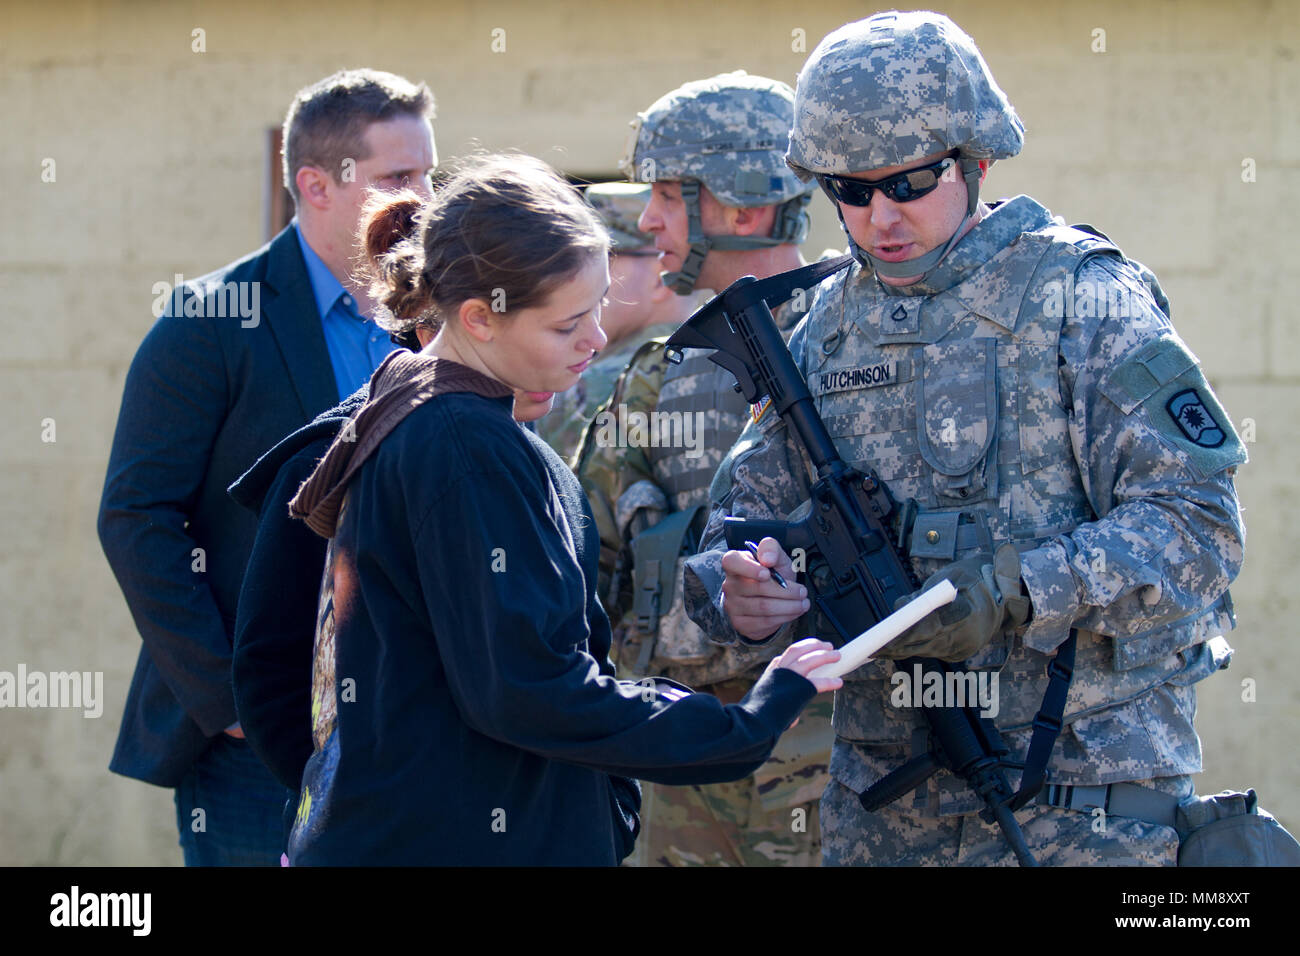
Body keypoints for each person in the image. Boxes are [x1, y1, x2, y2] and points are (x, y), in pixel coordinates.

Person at [683, 11, 1247, 866]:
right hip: (884, 826)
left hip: (1079, 814)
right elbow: (727, 534)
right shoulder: (823, 330)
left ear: (975, 159)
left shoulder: (1080, 299)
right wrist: (738, 589)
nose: (880, 216)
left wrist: (1017, 589)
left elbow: (1198, 526)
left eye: (910, 182)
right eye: (851, 189)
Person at [281, 155, 841, 866]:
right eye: (566, 324)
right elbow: (530, 689)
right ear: (481, 319)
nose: (597, 341)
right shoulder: (463, 445)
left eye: (600, 308)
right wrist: (744, 725)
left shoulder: (420, 410)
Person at [97, 68, 437, 866]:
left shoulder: (434, 322)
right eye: (397, 177)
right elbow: (135, 517)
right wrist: (231, 699)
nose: (424, 196)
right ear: (314, 184)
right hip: (256, 749)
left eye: (429, 172)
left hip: (405, 729)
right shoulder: (207, 323)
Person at [574, 72, 832, 867]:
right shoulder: (655, 377)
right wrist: (715, 610)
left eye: (665, 193)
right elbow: (590, 586)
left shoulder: (882, 351)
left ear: (743, 207)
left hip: (852, 786)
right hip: (689, 784)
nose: (646, 219)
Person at [534, 182, 701, 463]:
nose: (575, 277)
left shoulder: (586, 387)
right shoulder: (719, 362)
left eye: (602, 260)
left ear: (662, 277)